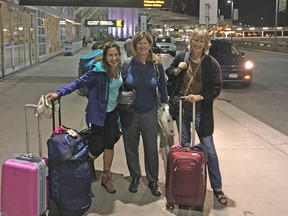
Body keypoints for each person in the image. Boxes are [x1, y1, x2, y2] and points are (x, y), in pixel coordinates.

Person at [45, 42, 122, 194]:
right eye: (110, 55)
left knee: (110, 144)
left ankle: (106, 175)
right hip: (98, 113)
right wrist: (59, 93)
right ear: (105, 57)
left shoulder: (118, 69)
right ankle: (83, 165)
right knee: (97, 144)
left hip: (113, 113)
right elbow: (78, 82)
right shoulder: (98, 71)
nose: (114, 58)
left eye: (116, 55)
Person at [165, 26, 228, 205]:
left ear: (206, 44)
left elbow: (216, 87)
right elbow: (169, 74)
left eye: (201, 41)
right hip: (183, 108)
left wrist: (201, 96)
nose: (198, 44)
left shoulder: (211, 63)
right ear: (190, 41)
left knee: (209, 149)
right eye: (195, 40)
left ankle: (217, 187)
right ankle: (184, 185)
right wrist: (178, 70)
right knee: (184, 146)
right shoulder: (181, 58)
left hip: (202, 110)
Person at [119, 31, 168, 196]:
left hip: (149, 112)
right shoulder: (126, 64)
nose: (142, 46)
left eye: (145, 43)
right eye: (139, 43)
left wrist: (166, 105)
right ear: (134, 45)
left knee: (151, 148)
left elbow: (162, 86)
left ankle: (153, 180)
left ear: (150, 45)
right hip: (130, 113)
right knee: (131, 147)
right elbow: (119, 86)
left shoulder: (156, 64)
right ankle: (135, 176)